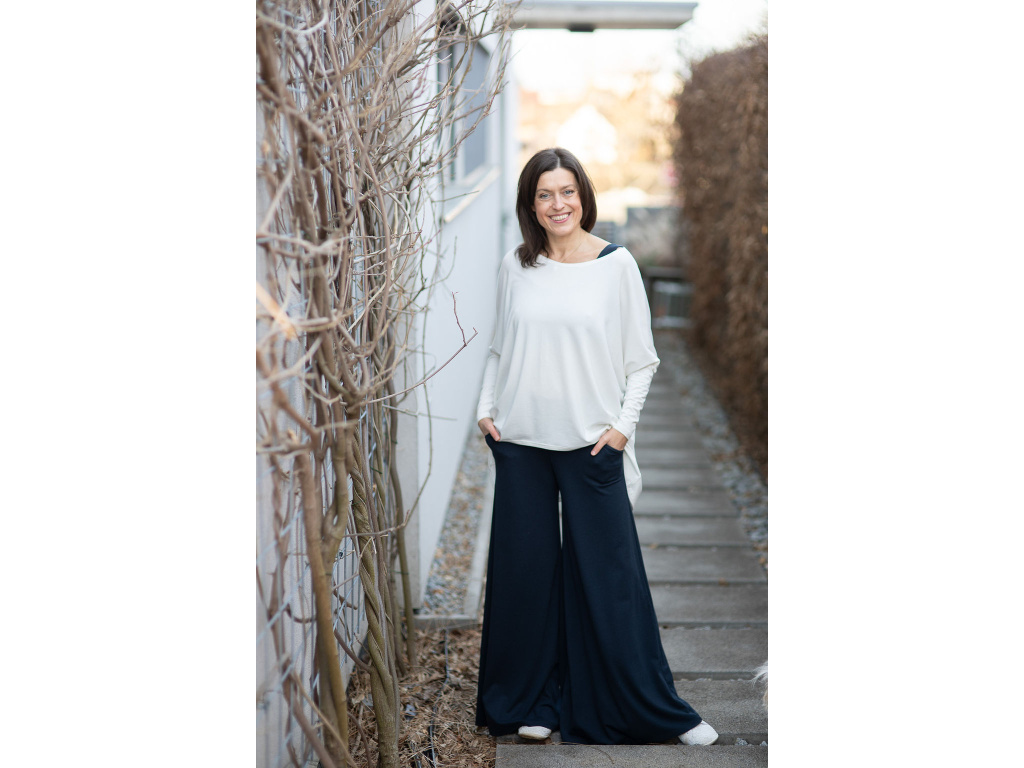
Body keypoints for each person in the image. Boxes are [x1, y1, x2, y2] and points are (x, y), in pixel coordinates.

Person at [473, 147, 719, 747]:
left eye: (567, 192)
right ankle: (535, 701)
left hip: (592, 444)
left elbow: (643, 361)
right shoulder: (516, 265)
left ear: (583, 196)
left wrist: (621, 430)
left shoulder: (617, 265)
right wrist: (485, 410)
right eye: (544, 195)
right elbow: (500, 347)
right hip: (521, 442)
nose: (557, 204)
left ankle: (657, 709)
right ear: (531, 205)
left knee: (610, 578)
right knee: (524, 579)